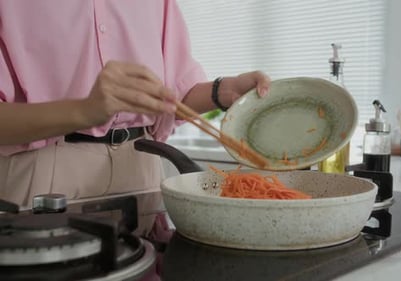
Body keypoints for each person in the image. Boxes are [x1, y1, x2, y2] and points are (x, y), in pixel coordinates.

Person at [0, 0, 271, 207]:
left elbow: (170, 96)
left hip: (141, 165)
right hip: (46, 172)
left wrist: (224, 91)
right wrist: (85, 111)